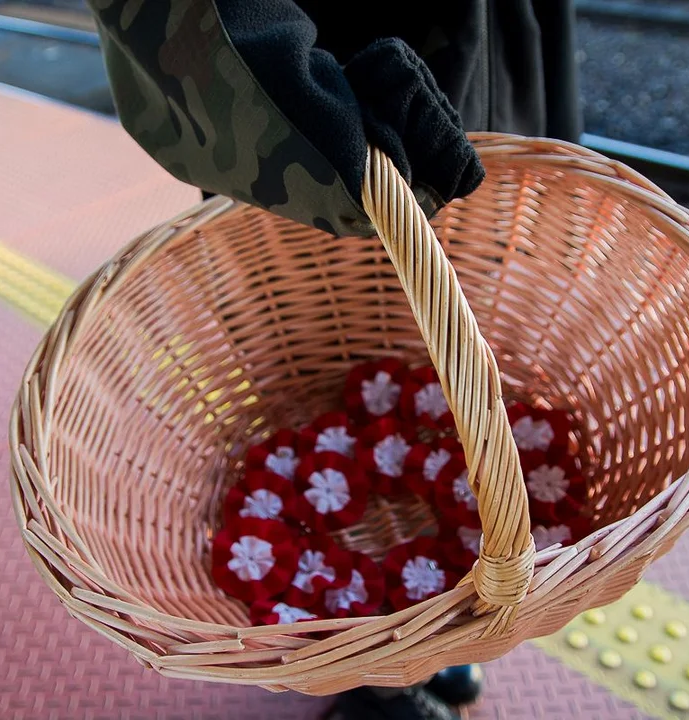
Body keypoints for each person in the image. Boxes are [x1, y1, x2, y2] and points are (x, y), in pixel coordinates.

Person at [88, 1, 581, 717]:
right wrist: (337, 129)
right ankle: (376, 672)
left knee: (467, 323)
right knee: (318, 333)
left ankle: (434, 644)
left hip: (485, 46)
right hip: (316, 97)